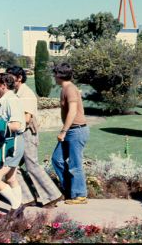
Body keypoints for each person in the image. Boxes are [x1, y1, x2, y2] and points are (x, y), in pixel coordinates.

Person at [6, 66, 64, 208]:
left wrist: (6, 124)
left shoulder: (26, 93)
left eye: (10, 76)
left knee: (32, 165)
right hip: (18, 134)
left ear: (19, 78)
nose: (7, 79)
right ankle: (26, 198)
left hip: (27, 134)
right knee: (10, 166)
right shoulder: (18, 93)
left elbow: (26, 118)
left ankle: (53, 196)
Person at [0, 73, 26, 212]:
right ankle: (18, 212)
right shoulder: (6, 100)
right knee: (11, 178)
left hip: (11, 145)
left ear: (3, 86)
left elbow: (16, 125)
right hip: (8, 143)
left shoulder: (11, 101)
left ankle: (17, 207)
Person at [51, 62, 90, 205]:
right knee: (57, 159)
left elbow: (73, 112)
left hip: (76, 131)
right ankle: (70, 190)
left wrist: (63, 131)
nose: (53, 76)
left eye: (55, 74)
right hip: (71, 131)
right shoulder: (65, 88)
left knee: (75, 163)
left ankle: (80, 195)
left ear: (59, 75)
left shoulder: (70, 89)